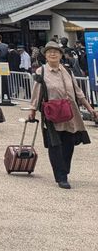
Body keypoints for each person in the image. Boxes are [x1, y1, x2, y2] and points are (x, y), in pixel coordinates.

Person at [28, 40, 95, 189]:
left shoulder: (67, 71)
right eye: (49, 51)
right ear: (45, 55)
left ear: (60, 55)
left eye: (56, 51)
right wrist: (32, 110)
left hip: (70, 113)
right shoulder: (41, 71)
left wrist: (90, 109)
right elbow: (36, 92)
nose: (53, 53)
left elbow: (78, 92)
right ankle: (61, 176)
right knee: (55, 145)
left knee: (69, 144)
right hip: (52, 113)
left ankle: (64, 170)